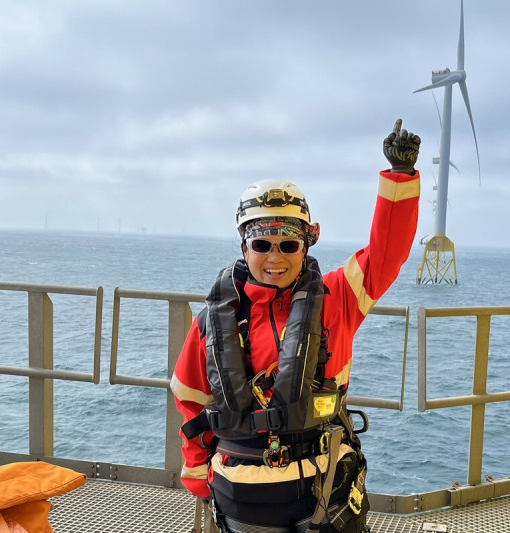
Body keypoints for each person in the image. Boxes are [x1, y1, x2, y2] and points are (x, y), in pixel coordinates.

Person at [170, 119, 421, 533]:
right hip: (243, 497)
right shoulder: (213, 323)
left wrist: (399, 177)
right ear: (243, 245)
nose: (275, 257)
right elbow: (190, 400)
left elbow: (385, 254)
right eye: (262, 244)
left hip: (322, 491)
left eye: (288, 244)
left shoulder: (338, 298)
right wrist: (199, 475)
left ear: (307, 243)